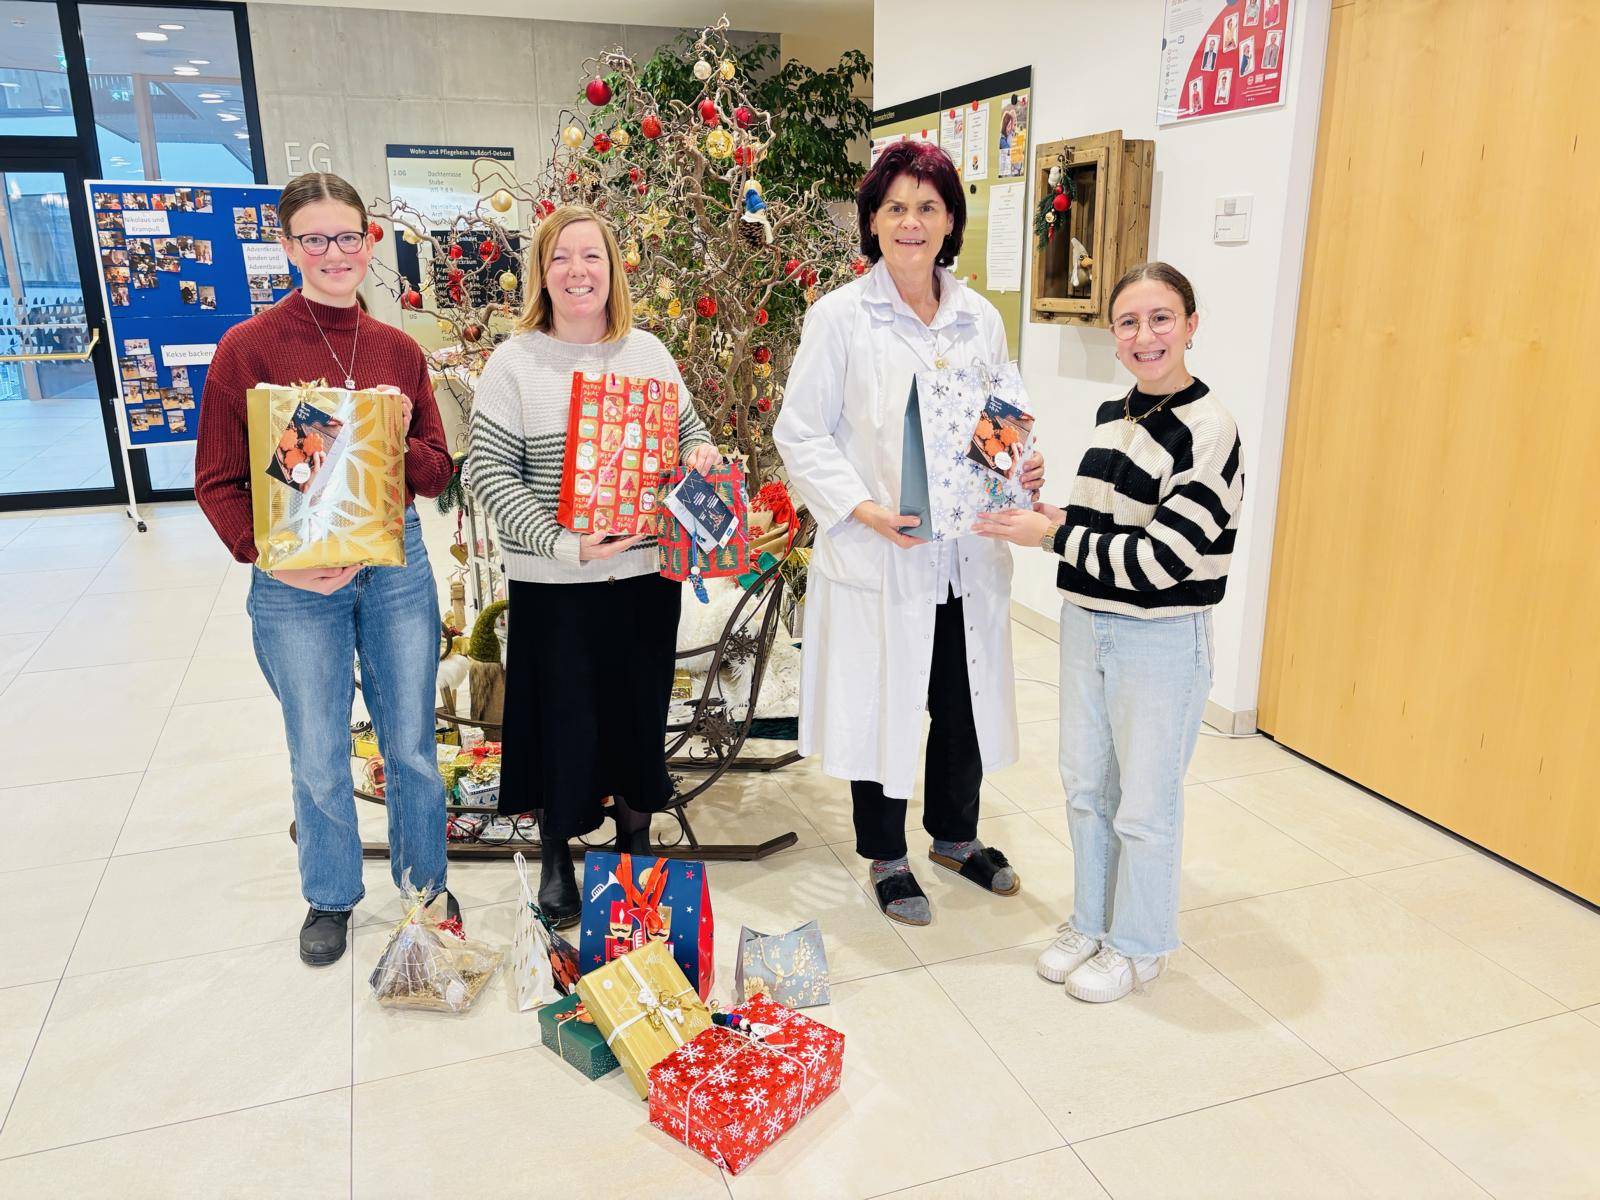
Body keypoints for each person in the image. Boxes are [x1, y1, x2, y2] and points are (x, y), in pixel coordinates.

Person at [774, 141, 1045, 927]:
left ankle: (956, 838)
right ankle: (887, 855)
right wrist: (860, 508)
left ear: (951, 219)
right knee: (884, 697)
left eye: (927, 206)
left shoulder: (978, 319)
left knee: (960, 700)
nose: (911, 221)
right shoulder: (841, 317)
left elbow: (1003, 419)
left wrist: (1019, 469)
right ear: (871, 220)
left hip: (965, 553)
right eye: (894, 206)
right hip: (880, 551)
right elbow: (801, 432)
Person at [195, 171, 456, 968]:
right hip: (293, 583)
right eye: (315, 238)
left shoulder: (397, 349)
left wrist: (400, 429)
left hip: (393, 565)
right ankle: (332, 895)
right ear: (287, 245)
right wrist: (272, 557)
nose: (335, 253)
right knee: (316, 747)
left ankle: (423, 888)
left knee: (410, 743)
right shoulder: (249, 349)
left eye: (349, 236)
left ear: (369, 242)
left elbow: (436, 471)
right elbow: (217, 482)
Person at [974, 263, 1244, 1003]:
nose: (1145, 335)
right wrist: (1045, 511)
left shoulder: (1210, 430)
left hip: (1159, 639)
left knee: (1146, 804)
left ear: (1191, 324)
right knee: (1088, 787)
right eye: (1128, 322)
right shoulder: (1110, 416)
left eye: (1161, 319)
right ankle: (1091, 922)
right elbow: (1102, 530)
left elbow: (1160, 561)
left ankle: (1140, 944)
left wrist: (1045, 537)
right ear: (1113, 336)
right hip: (1089, 627)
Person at [466, 205, 718, 927]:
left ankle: (635, 841)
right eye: (561, 258)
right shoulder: (515, 361)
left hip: (644, 577)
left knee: (637, 712)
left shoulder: (649, 354)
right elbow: (488, 472)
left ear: (614, 269)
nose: (578, 271)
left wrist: (698, 453)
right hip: (556, 583)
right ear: (541, 274)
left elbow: (689, 430)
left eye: (593, 257)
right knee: (562, 719)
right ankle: (556, 853)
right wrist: (561, 542)